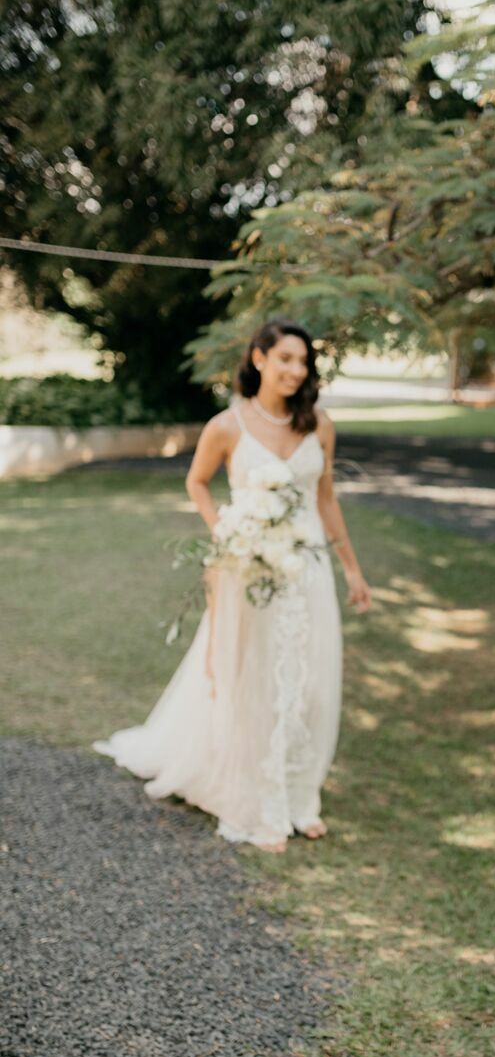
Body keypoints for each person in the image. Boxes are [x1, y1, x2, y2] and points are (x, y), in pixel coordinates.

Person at [95, 317, 372, 852]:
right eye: (286, 358)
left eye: (304, 362)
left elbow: (326, 499)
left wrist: (352, 569)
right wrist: (226, 531)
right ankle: (256, 798)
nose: (296, 370)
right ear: (259, 358)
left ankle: (299, 797)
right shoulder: (227, 426)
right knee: (256, 679)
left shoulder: (319, 425)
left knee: (310, 682)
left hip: (308, 571)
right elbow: (196, 482)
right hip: (252, 572)